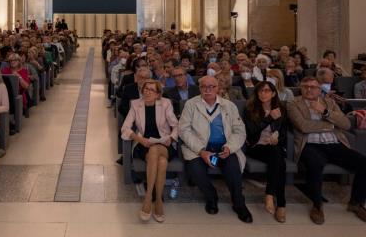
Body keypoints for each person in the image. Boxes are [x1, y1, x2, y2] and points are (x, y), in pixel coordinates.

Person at [288, 76, 366, 224]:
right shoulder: (294, 103)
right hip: (310, 144)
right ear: (301, 88)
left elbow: (346, 124)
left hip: (334, 143)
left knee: (363, 163)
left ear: (319, 90)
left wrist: (325, 112)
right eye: (305, 86)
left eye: (313, 87)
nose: (309, 89)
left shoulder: (329, 103)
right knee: (315, 165)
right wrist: (330, 125)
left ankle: (356, 203)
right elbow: (303, 126)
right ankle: (317, 205)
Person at [178, 75, 253, 223]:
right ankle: (211, 197)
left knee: (233, 168)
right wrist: (201, 150)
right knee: (195, 169)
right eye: (204, 86)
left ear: (218, 88)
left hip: (224, 147)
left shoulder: (229, 106)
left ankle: (239, 204)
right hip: (200, 147)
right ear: (199, 88)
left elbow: (239, 131)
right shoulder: (191, 104)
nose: (207, 89)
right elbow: (184, 130)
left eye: (211, 86)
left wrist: (229, 147)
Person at [121, 80, 179, 223]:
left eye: (151, 90)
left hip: (164, 144)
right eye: (145, 89)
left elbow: (176, 126)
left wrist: (171, 139)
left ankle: (148, 198)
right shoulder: (136, 104)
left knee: (156, 150)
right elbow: (125, 128)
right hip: (144, 144)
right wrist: (139, 139)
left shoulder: (165, 103)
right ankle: (158, 200)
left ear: (158, 94)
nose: (147, 92)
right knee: (161, 162)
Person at [243, 81, 288, 223]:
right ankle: (279, 202)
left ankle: (273, 198)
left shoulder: (281, 109)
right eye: (261, 91)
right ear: (257, 93)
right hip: (256, 146)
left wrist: (278, 139)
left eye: (267, 91)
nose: (264, 94)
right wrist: (269, 118)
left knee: (278, 157)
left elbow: (284, 133)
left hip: (274, 147)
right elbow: (251, 131)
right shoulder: (250, 109)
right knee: (279, 160)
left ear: (274, 93)